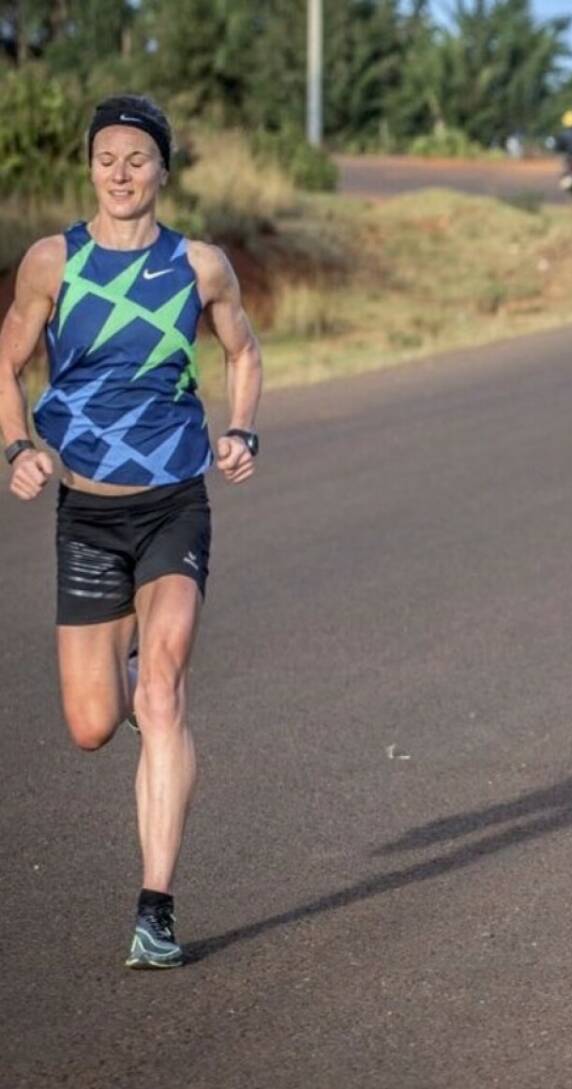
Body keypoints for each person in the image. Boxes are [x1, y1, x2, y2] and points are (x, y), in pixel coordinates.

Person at [0, 95, 263, 968]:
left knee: (162, 693)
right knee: (90, 722)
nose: (120, 172)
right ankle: (143, 681)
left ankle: (156, 907)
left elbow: (245, 351)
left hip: (172, 504)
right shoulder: (51, 262)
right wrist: (16, 446)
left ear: (161, 171)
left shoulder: (199, 264)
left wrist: (241, 429)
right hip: (86, 514)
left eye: (137, 159)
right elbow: (5, 360)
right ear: (90, 168)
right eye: (106, 157)